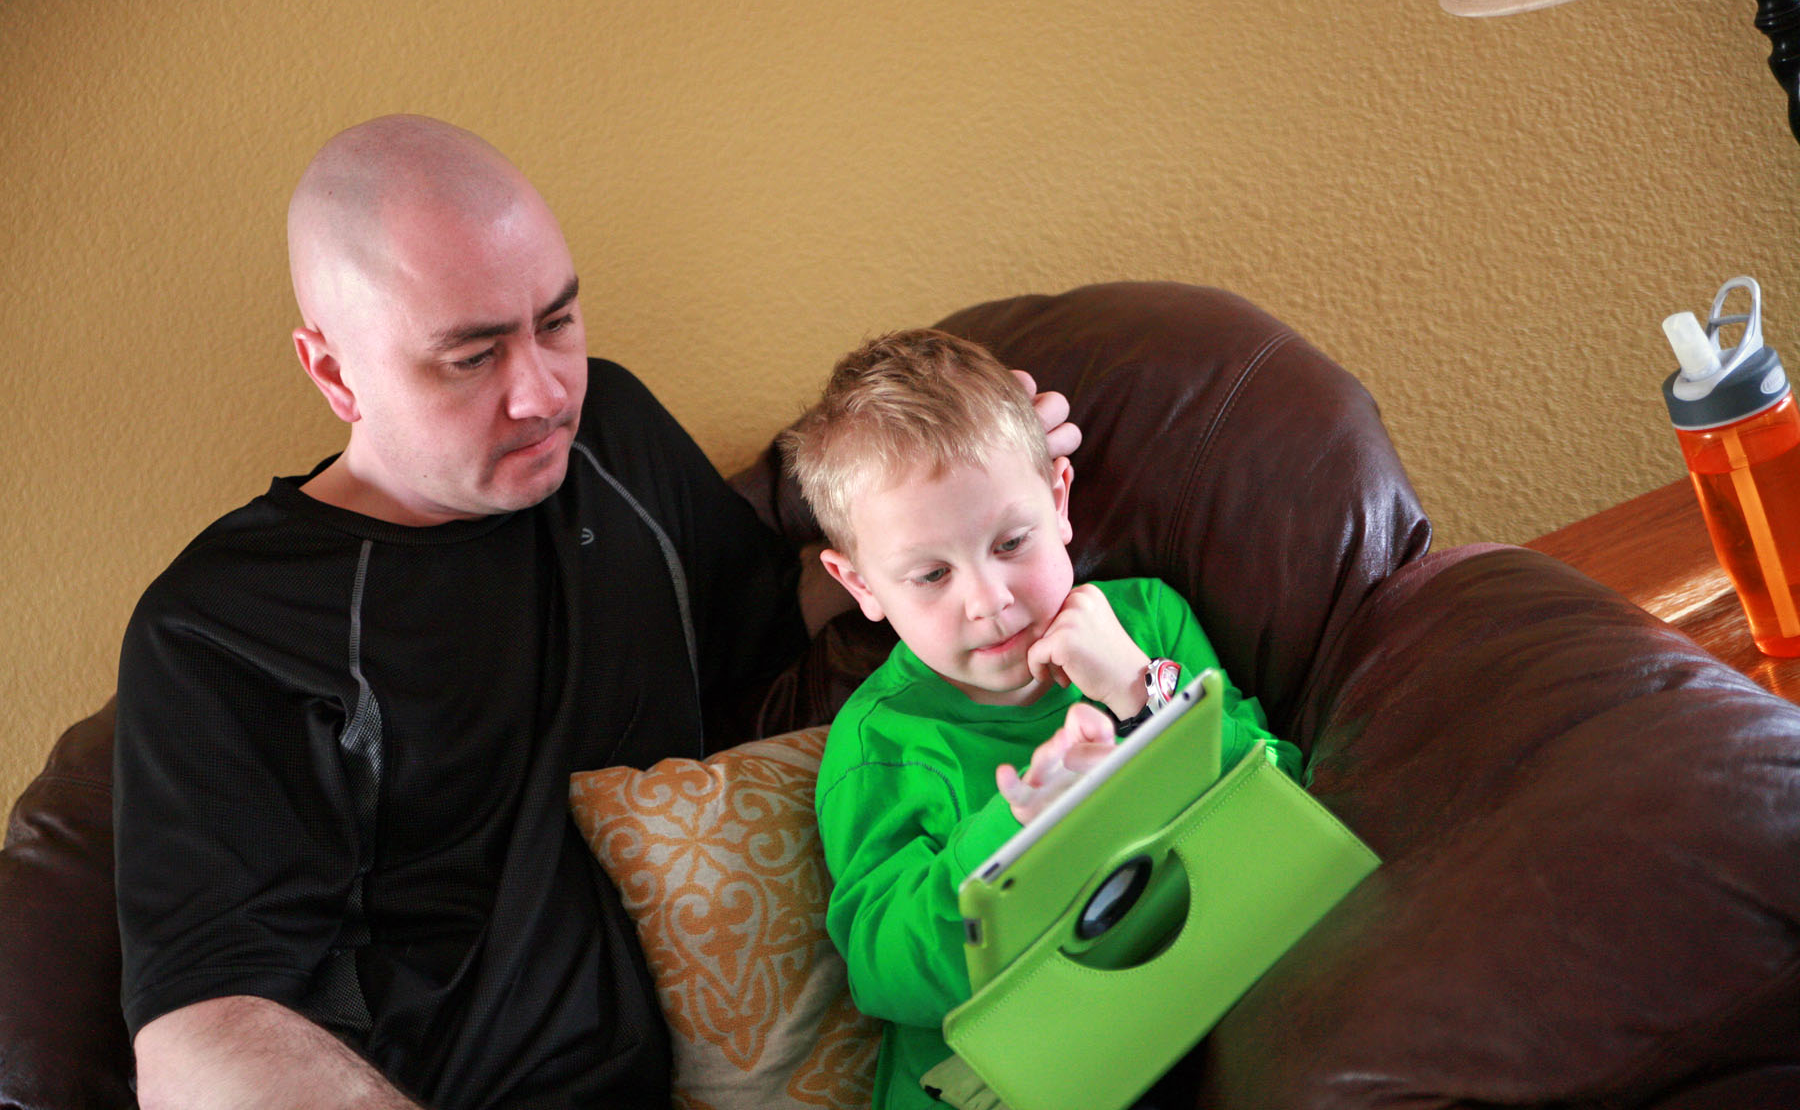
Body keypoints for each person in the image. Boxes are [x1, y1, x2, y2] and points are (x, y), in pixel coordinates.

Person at [112, 113, 1080, 1109]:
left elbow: (772, 615)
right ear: (333, 372)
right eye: (472, 357)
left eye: (558, 322)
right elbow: (201, 1029)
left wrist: (975, 501)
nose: (543, 394)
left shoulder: (610, 435)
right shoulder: (225, 625)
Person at [780, 329, 1300, 1110]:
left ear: (1058, 501)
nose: (989, 600)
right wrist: (1018, 839)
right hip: (1005, 1082)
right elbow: (886, 972)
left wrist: (1141, 691)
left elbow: (1282, 800)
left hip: (1188, 1007)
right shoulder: (880, 743)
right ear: (861, 586)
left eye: (1011, 542)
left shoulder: (1144, 624)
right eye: (931, 574)